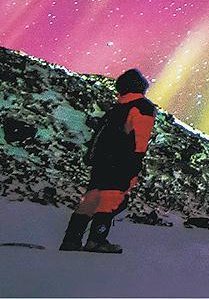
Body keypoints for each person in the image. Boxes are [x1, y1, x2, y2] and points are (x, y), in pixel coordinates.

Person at [60, 68, 158, 253]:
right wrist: (135, 165)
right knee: (110, 200)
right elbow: (140, 139)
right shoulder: (143, 107)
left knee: (91, 200)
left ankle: (71, 240)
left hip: (102, 161)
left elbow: (100, 135)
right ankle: (96, 241)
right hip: (121, 161)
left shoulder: (117, 107)